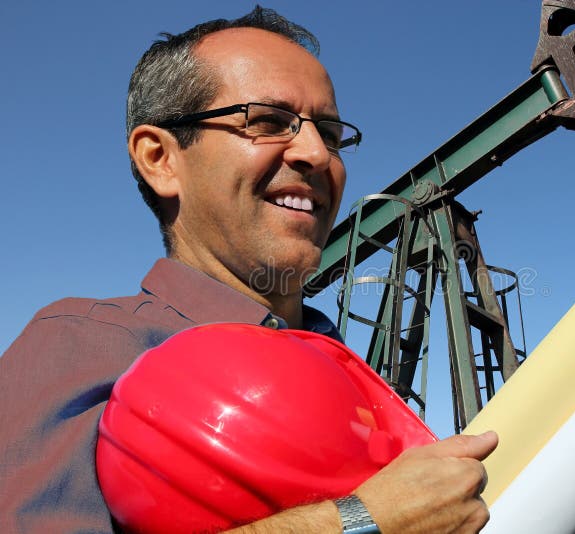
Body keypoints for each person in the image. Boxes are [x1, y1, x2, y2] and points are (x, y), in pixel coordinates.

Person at [0, 6, 498, 534]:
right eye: (266, 122)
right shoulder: (85, 344)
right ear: (160, 158)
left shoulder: (342, 362)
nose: (314, 153)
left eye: (329, 134)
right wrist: (360, 522)